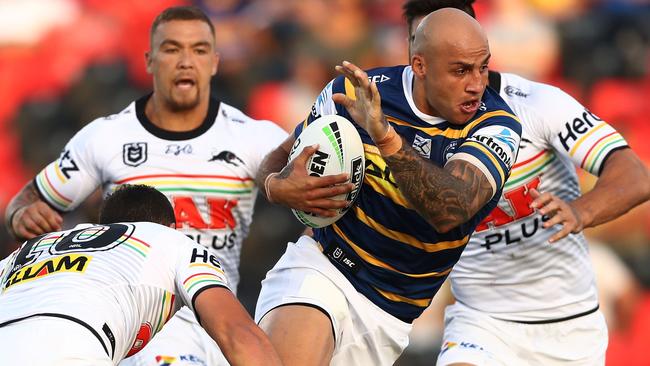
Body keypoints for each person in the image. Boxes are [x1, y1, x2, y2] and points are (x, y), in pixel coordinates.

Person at [3, 6, 290, 366]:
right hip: (155, 324)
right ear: (149, 60)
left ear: (214, 61)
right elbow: (27, 201)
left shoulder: (254, 135)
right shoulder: (106, 138)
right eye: (171, 49)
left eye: (198, 50)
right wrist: (19, 214)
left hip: (192, 315)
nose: (185, 62)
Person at [253, 8, 522, 366]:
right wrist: (276, 186)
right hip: (324, 266)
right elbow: (282, 155)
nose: (476, 84)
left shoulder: (497, 126)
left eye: (482, 67)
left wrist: (384, 136)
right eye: (460, 70)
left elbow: (449, 210)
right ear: (420, 65)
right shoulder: (353, 92)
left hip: (391, 313)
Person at [401, 1, 650, 365]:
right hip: (479, 323)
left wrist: (581, 211)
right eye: (420, 42)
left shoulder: (537, 104)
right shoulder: (394, 127)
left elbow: (634, 175)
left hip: (568, 326)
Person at [0, 184, 282, 365]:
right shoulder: (170, 240)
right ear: (171, 226)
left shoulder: (29, 249)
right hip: (74, 350)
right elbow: (237, 332)